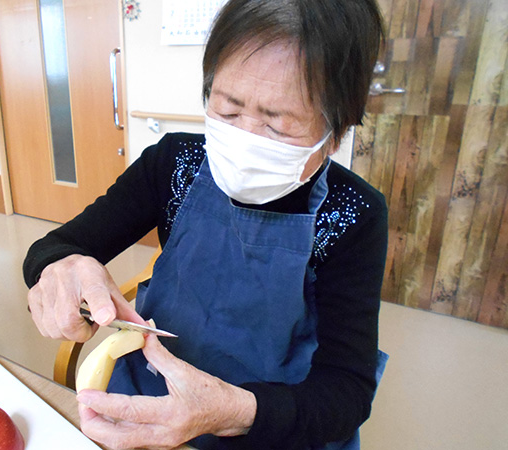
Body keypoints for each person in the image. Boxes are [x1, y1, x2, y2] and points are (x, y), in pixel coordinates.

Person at [23, 0, 388, 449]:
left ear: (336, 131)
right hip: (145, 405)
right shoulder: (174, 163)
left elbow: (346, 392)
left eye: (278, 125)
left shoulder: (354, 214)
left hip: (273, 424)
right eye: (229, 111)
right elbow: (58, 246)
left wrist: (234, 410)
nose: (246, 139)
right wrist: (59, 270)